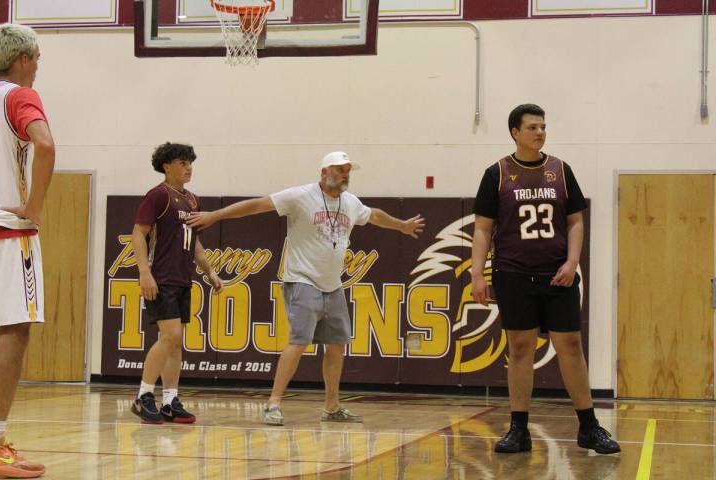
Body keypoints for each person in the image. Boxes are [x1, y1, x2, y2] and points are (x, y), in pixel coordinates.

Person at [187, 151, 425, 426]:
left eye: (348, 170)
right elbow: (256, 206)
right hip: (302, 280)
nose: (345, 174)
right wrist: (215, 215)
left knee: (337, 346)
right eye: (339, 169)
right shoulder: (301, 196)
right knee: (299, 342)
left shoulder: (350, 202)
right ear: (324, 172)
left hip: (332, 285)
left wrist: (402, 226)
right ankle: (273, 403)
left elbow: (374, 216)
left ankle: (332, 406)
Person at [471, 104, 620, 455]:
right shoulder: (497, 173)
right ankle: (519, 430)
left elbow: (576, 221)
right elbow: (482, 228)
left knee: (570, 347)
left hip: (557, 275)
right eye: (533, 127)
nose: (540, 132)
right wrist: (477, 272)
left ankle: (589, 427)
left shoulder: (561, 170)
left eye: (543, 127)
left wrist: (572, 262)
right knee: (520, 349)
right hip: (513, 274)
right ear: (515, 132)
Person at [0, 23, 55, 479]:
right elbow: (46, 144)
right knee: (13, 332)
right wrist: (34, 205)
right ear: (22, 59)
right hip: (6, 232)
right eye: (36, 59)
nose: (37, 67)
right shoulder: (16, 95)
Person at [130, 142, 223, 424]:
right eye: (182, 163)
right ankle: (143, 396)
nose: (188, 167)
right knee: (169, 337)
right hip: (162, 277)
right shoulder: (158, 196)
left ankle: (170, 400)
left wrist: (210, 272)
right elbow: (138, 233)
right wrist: (144, 272)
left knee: (176, 342)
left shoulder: (194, 200)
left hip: (184, 277)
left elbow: (195, 244)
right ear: (167, 166)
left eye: (190, 163)